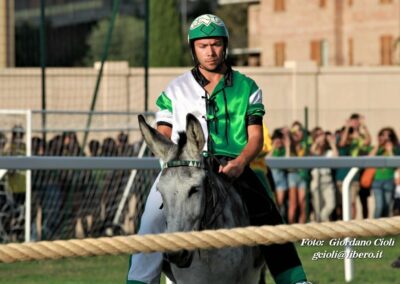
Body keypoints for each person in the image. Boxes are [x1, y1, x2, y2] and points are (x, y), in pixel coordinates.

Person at [126, 14, 307, 284]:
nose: (210, 51)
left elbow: (255, 137)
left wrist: (241, 163)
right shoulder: (174, 89)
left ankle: (294, 280)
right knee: (151, 218)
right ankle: (139, 281)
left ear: (225, 46)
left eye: (215, 44)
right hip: (184, 168)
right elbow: (163, 131)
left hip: (234, 166)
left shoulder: (248, 87)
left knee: (268, 213)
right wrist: (171, 156)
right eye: (203, 45)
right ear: (193, 49)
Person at [368, 127, 400, 218]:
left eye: (388, 135)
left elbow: (396, 165)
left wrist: (390, 150)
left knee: (387, 206)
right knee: (379, 206)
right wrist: (379, 144)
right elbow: (369, 158)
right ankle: (375, 229)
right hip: (377, 181)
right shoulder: (377, 148)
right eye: (383, 135)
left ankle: (384, 230)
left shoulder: (396, 149)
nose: (385, 138)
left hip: (389, 180)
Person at [309, 128, 337, 222]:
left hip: (327, 180)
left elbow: (336, 158)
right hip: (316, 180)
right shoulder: (312, 148)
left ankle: (322, 219)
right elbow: (312, 152)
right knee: (317, 207)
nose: (322, 137)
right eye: (318, 135)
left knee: (331, 205)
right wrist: (317, 142)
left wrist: (332, 144)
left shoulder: (328, 152)